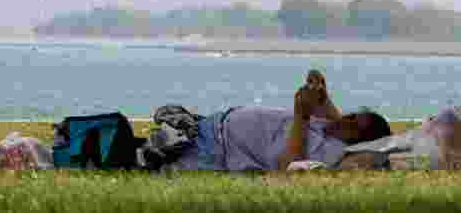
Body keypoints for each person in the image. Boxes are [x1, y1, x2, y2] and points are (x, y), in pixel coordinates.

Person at [168, 69, 393, 172]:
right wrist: (322, 96)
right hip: (214, 126)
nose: (346, 119)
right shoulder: (331, 128)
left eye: (354, 124)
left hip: (217, 148)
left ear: (358, 142)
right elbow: (338, 120)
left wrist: (301, 115)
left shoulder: (330, 151)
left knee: (145, 161)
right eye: (352, 115)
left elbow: (289, 166)